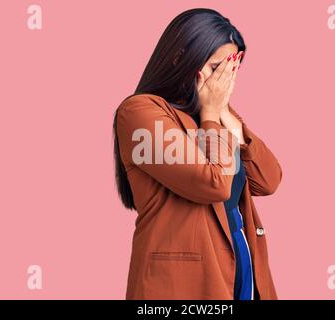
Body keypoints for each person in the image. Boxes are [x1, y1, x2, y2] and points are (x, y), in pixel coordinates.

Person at [113, 8, 282, 300]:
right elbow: (212, 184)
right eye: (218, 68)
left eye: (232, 69)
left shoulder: (213, 116)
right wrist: (212, 114)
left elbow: (268, 180)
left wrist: (226, 114)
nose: (225, 81)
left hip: (240, 270)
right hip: (182, 285)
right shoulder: (139, 113)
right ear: (181, 59)